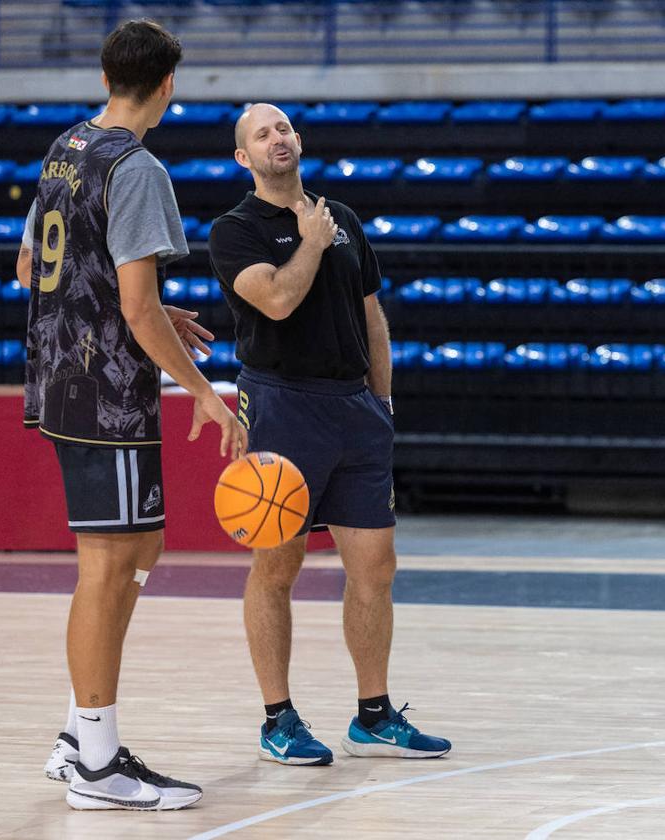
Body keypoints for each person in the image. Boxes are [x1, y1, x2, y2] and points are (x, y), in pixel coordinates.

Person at [17, 19, 247, 809]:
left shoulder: (65, 148)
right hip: (102, 395)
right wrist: (207, 393)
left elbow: (31, 267)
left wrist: (133, 306)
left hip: (60, 378)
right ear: (169, 85)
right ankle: (97, 765)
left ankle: (79, 735)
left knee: (140, 544)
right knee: (109, 568)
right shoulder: (139, 167)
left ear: (109, 73)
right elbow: (139, 312)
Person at [207, 103, 451, 766]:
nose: (276, 138)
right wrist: (309, 242)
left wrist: (383, 401)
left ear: (299, 139)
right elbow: (278, 301)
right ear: (243, 158)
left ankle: (373, 715)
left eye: (283, 128)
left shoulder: (341, 217)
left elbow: (372, 317)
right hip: (284, 404)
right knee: (277, 565)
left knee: (376, 566)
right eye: (261, 134)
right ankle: (277, 719)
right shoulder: (234, 231)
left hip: (356, 409)